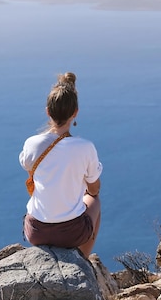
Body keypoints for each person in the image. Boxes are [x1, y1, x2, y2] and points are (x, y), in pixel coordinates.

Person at [20, 72, 102, 257]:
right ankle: (83, 260)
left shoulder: (31, 143)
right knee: (94, 200)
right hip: (71, 234)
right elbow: (94, 189)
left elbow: (27, 165)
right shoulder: (85, 147)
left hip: (36, 231)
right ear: (75, 113)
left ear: (48, 111)